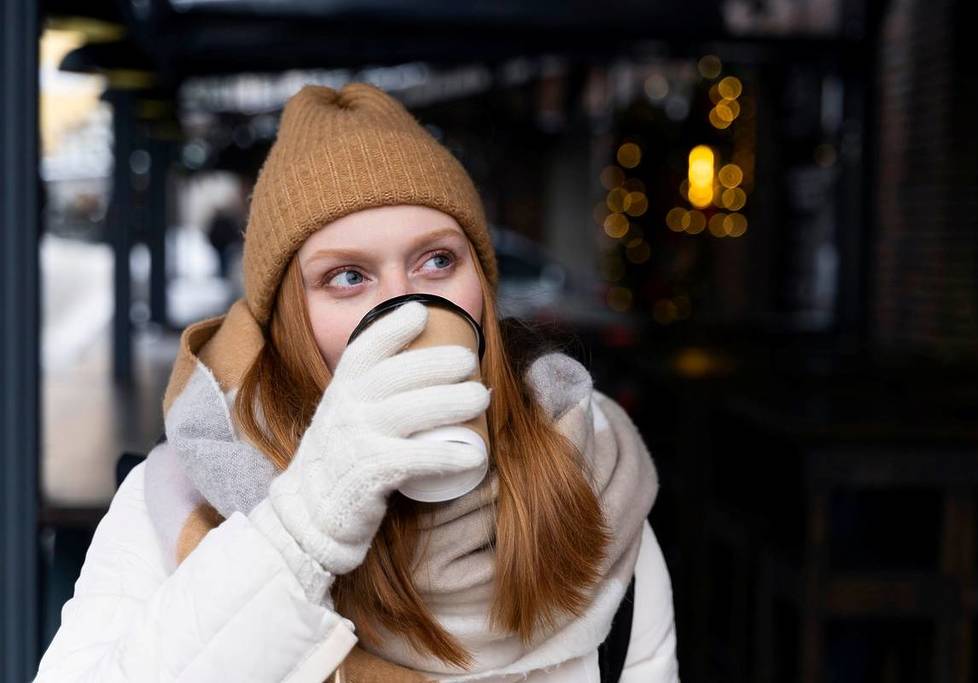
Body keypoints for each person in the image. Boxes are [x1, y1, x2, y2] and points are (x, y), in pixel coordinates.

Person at [35, 83, 677, 682]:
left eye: (437, 260)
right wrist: (308, 520)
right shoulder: (176, 499)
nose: (406, 309)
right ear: (290, 318)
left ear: (482, 285)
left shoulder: (592, 487)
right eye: (348, 276)